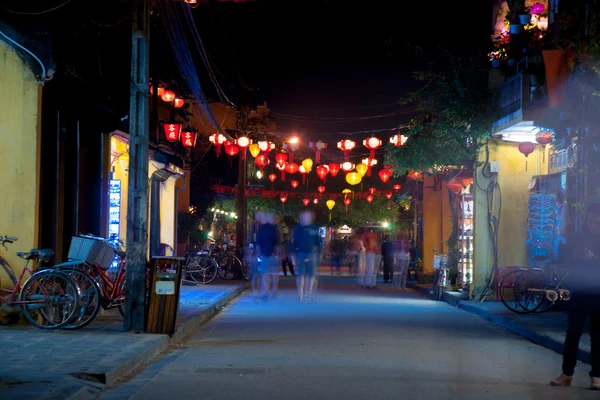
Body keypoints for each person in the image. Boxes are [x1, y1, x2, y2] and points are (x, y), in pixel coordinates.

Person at [551, 203, 600, 390]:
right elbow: (566, 261)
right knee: (573, 334)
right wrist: (575, 256)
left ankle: (596, 376)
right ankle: (567, 374)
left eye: (596, 220)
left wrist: (593, 259)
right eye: (590, 220)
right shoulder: (579, 237)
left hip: (598, 293)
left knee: (597, 337)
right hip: (580, 292)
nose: (592, 223)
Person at [293, 210, 320, 301]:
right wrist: (293, 254)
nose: (305, 218)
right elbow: (294, 241)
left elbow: (318, 240)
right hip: (301, 253)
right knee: (300, 274)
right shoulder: (298, 228)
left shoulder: (314, 227)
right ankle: (300, 293)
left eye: (307, 216)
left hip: (312, 254)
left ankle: (309, 293)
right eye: (304, 216)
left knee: (311, 275)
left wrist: (317, 248)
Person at [255, 212, 279, 299]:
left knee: (265, 273)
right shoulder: (274, 228)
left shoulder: (261, 228)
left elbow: (258, 242)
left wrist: (258, 253)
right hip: (272, 253)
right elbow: (276, 241)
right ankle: (272, 290)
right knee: (273, 273)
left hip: (265, 253)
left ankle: (266, 290)